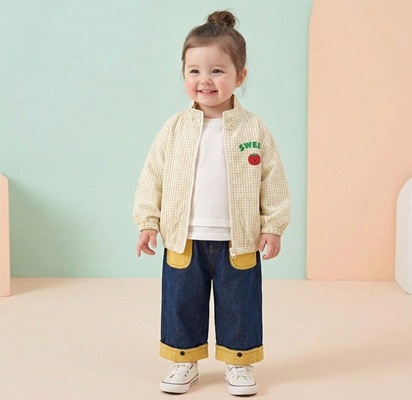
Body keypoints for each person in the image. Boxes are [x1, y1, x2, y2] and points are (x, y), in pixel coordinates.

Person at [133, 10, 290, 396]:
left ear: (240, 76)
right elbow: (152, 175)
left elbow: (273, 181)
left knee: (239, 303)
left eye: (217, 71)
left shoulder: (253, 128)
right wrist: (148, 221)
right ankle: (183, 360)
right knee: (181, 301)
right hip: (183, 236)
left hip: (239, 239)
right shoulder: (174, 128)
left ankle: (239, 362)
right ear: (184, 74)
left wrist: (273, 226)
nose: (205, 80)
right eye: (195, 71)